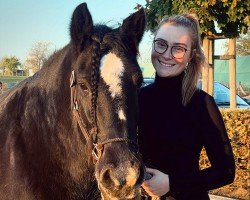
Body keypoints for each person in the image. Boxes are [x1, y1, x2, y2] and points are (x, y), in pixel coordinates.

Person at [138, 14, 235, 200]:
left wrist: (171, 183)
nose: (166, 54)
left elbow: (226, 171)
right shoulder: (138, 98)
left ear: (191, 55)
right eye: (161, 44)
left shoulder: (202, 104)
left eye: (179, 49)